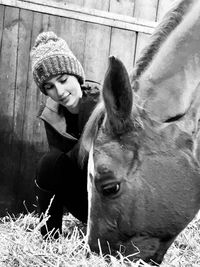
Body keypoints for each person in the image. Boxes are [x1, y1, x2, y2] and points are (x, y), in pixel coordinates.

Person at [30, 31, 101, 238]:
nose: (59, 92)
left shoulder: (103, 105)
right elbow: (59, 168)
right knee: (48, 163)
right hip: (85, 203)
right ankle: (49, 239)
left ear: (77, 76)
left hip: (115, 200)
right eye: (49, 86)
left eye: (63, 79)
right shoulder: (52, 116)